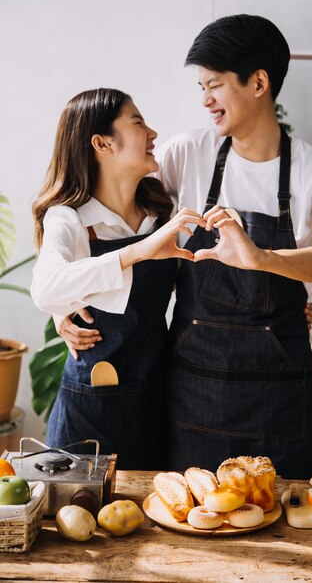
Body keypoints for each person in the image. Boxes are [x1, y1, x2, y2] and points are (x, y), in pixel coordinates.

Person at [55, 14, 312, 479]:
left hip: (280, 399)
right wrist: (63, 298)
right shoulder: (187, 155)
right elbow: (98, 213)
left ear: (259, 82)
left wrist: (262, 259)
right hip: (192, 395)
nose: (205, 100)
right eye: (201, 86)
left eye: (215, 85)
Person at [31, 88, 204, 470]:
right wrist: (136, 252)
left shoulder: (161, 213)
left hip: (157, 398)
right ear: (102, 143)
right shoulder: (70, 218)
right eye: (138, 122)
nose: (153, 133)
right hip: (90, 407)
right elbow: (46, 288)